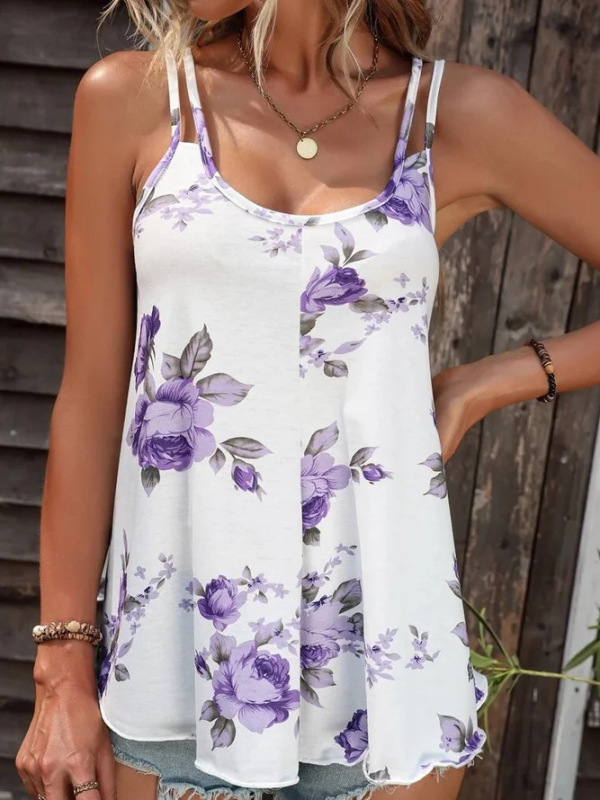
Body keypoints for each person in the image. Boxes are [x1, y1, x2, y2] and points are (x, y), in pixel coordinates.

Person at [14, 1, 600, 800]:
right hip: (167, 682)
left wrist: (486, 383)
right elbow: (90, 395)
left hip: (385, 690)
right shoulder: (136, 100)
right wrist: (61, 668)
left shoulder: (454, 117)